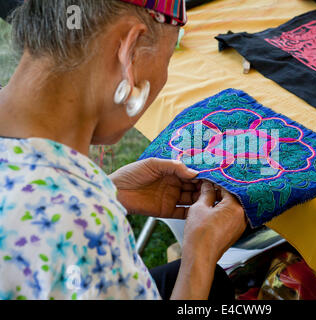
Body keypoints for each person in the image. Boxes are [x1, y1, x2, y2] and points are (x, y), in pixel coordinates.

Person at [0, 0, 247, 300]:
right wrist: (201, 256)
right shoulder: (80, 224)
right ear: (129, 49)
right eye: (167, 57)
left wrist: (108, 190)